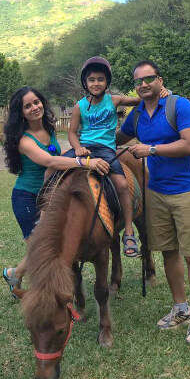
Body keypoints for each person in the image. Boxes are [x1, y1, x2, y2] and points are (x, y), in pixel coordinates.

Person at [118, 60, 190, 345]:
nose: (144, 84)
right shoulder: (136, 116)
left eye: (149, 79)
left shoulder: (179, 106)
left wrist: (151, 149)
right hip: (155, 192)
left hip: (185, 190)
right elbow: (115, 137)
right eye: (139, 81)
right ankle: (180, 308)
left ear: (160, 80)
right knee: (168, 252)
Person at [1, 86, 110, 297]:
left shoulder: (48, 130)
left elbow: (57, 159)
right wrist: (85, 162)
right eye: (28, 106)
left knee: (52, 244)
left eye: (36, 102)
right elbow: (49, 160)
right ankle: (27, 282)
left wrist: (80, 152)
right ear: (20, 112)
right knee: (41, 249)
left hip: (50, 194)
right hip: (27, 198)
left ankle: (14, 274)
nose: (34, 107)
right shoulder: (24, 140)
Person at [65, 56, 148, 257]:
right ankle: (45, 215)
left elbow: (140, 99)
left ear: (107, 82)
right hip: (84, 148)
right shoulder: (80, 106)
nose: (96, 83)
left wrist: (158, 92)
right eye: (92, 79)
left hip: (105, 150)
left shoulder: (114, 100)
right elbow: (72, 132)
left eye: (100, 79)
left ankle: (128, 231)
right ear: (85, 82)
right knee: (53, 170)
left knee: (121, 184)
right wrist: (77, 148)